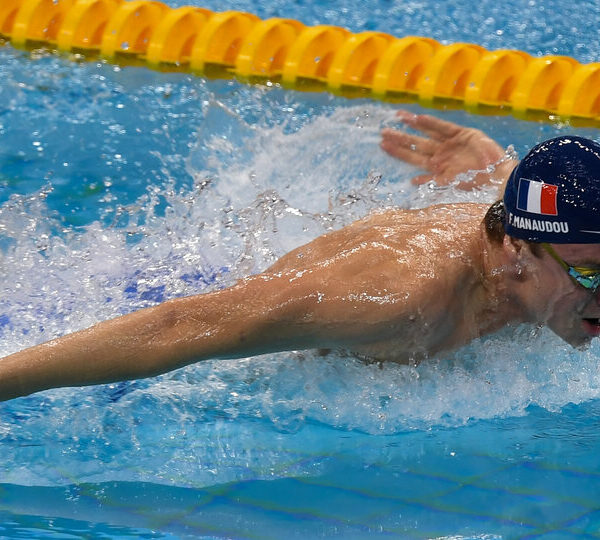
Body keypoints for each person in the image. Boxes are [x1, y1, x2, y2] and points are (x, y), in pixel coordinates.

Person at [1, 111, 600, 402]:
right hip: (156, 298)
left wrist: (496, 167)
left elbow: (514, 201)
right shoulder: (400, 299)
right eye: (589, 272)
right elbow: (188, 323)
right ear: (519, 248)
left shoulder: (541, 251)